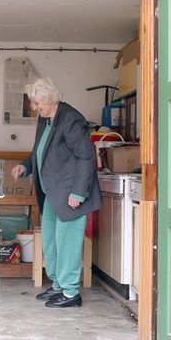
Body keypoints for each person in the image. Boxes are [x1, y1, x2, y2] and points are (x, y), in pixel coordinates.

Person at [11, 78, 101, 308]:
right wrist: (26, 166)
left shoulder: (71, 119)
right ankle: (59, 284)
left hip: (71, 193)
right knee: (51, 240)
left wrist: (79, 193)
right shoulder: (46, 120)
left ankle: (71, 293)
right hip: (52, 192)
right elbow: (38, 153)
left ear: (50, 99)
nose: (34, 107)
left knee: (67, 242)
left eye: (36, 102)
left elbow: (86, 157)